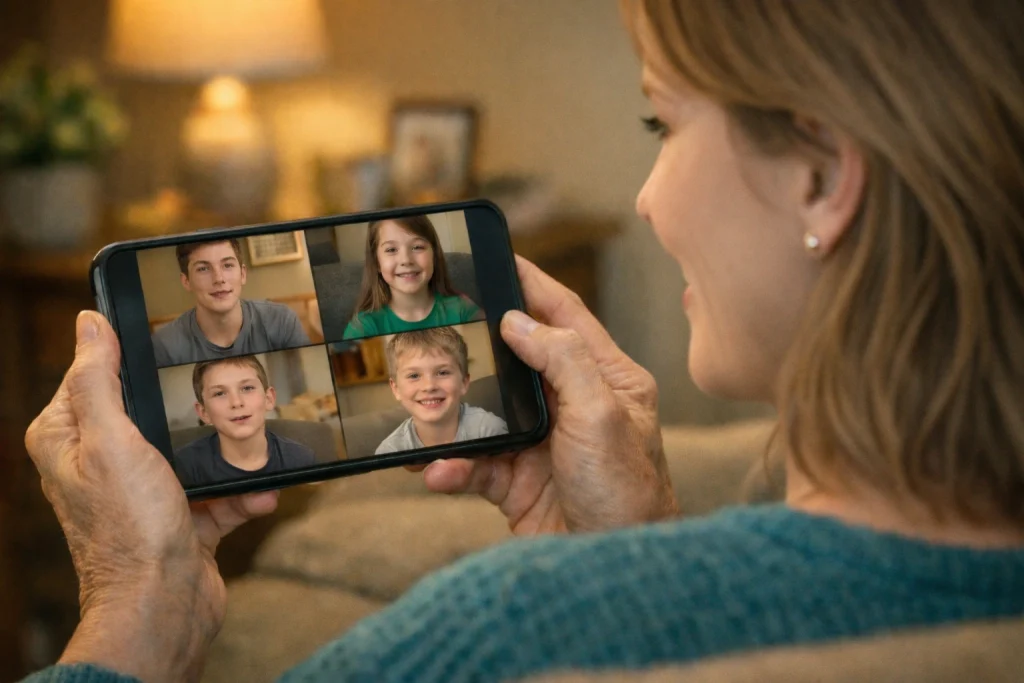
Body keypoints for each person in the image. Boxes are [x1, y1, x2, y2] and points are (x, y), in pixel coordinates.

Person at [19, 1, 1024, 682]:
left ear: (818, 177)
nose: (644, 195)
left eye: (658, 123)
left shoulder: (508, 629)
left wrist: (130, 609)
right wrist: (633, 561)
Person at [151, 239, 311, 366]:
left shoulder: (282, 320)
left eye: (227, 265)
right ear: (186, 281)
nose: (219, 278)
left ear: (242, 274)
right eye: (203, 269)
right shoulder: (164, 345)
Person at [172, 355, 317, 488]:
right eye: (219, 393)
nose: (236, 402)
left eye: (247, 388)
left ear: (269, 399)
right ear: (204, 413)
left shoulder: (301, 458)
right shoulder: (184, 466)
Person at [342, 215, 484, 340]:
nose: (406, 260)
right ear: (377, 263)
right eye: (391, 250)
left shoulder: (462, 309)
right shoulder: (364, 326)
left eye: (417, 247)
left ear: (434, 254)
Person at [374, 326, 508, 455]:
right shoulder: (390, 450)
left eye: (442, 372)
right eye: (414, 376)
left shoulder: (489, 430)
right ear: (395, 388)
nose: (429, 386)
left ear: (464, 382)